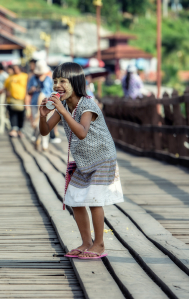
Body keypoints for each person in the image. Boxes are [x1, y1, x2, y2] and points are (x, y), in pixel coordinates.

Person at [39, 62, 124, 259]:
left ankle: (99, 244)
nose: (57, 86)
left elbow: (82, 132)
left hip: (103, 158)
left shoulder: (87, 105)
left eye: (63, 82)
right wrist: (43, 116)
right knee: (75, 200)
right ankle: (86, 242)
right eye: (55, 81)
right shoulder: (65, 107)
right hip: (83, 162)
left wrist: (62, 111)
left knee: (94, 201)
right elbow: (44, 132)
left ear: (75, 83)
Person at [29, 60, 55, 150]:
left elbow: (52, 92)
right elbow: (28, 91)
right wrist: (32, 90)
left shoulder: (49, 79)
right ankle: (37, 138)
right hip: (35, 104)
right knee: (36, 124)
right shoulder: (32, 79)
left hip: (46, 105)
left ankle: (44, 143)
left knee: (45, 124)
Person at [5, 64, 29, 137]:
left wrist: (27, 99)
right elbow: (6, 87)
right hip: (12, 99)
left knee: (21, 115)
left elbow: (28, 87)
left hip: (22, 99)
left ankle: (20, 130)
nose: (15, 70)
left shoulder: (25, 76)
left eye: (16, 68)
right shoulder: (10, 77)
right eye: (13, 69)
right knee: (12, 114)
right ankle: (14, 130)